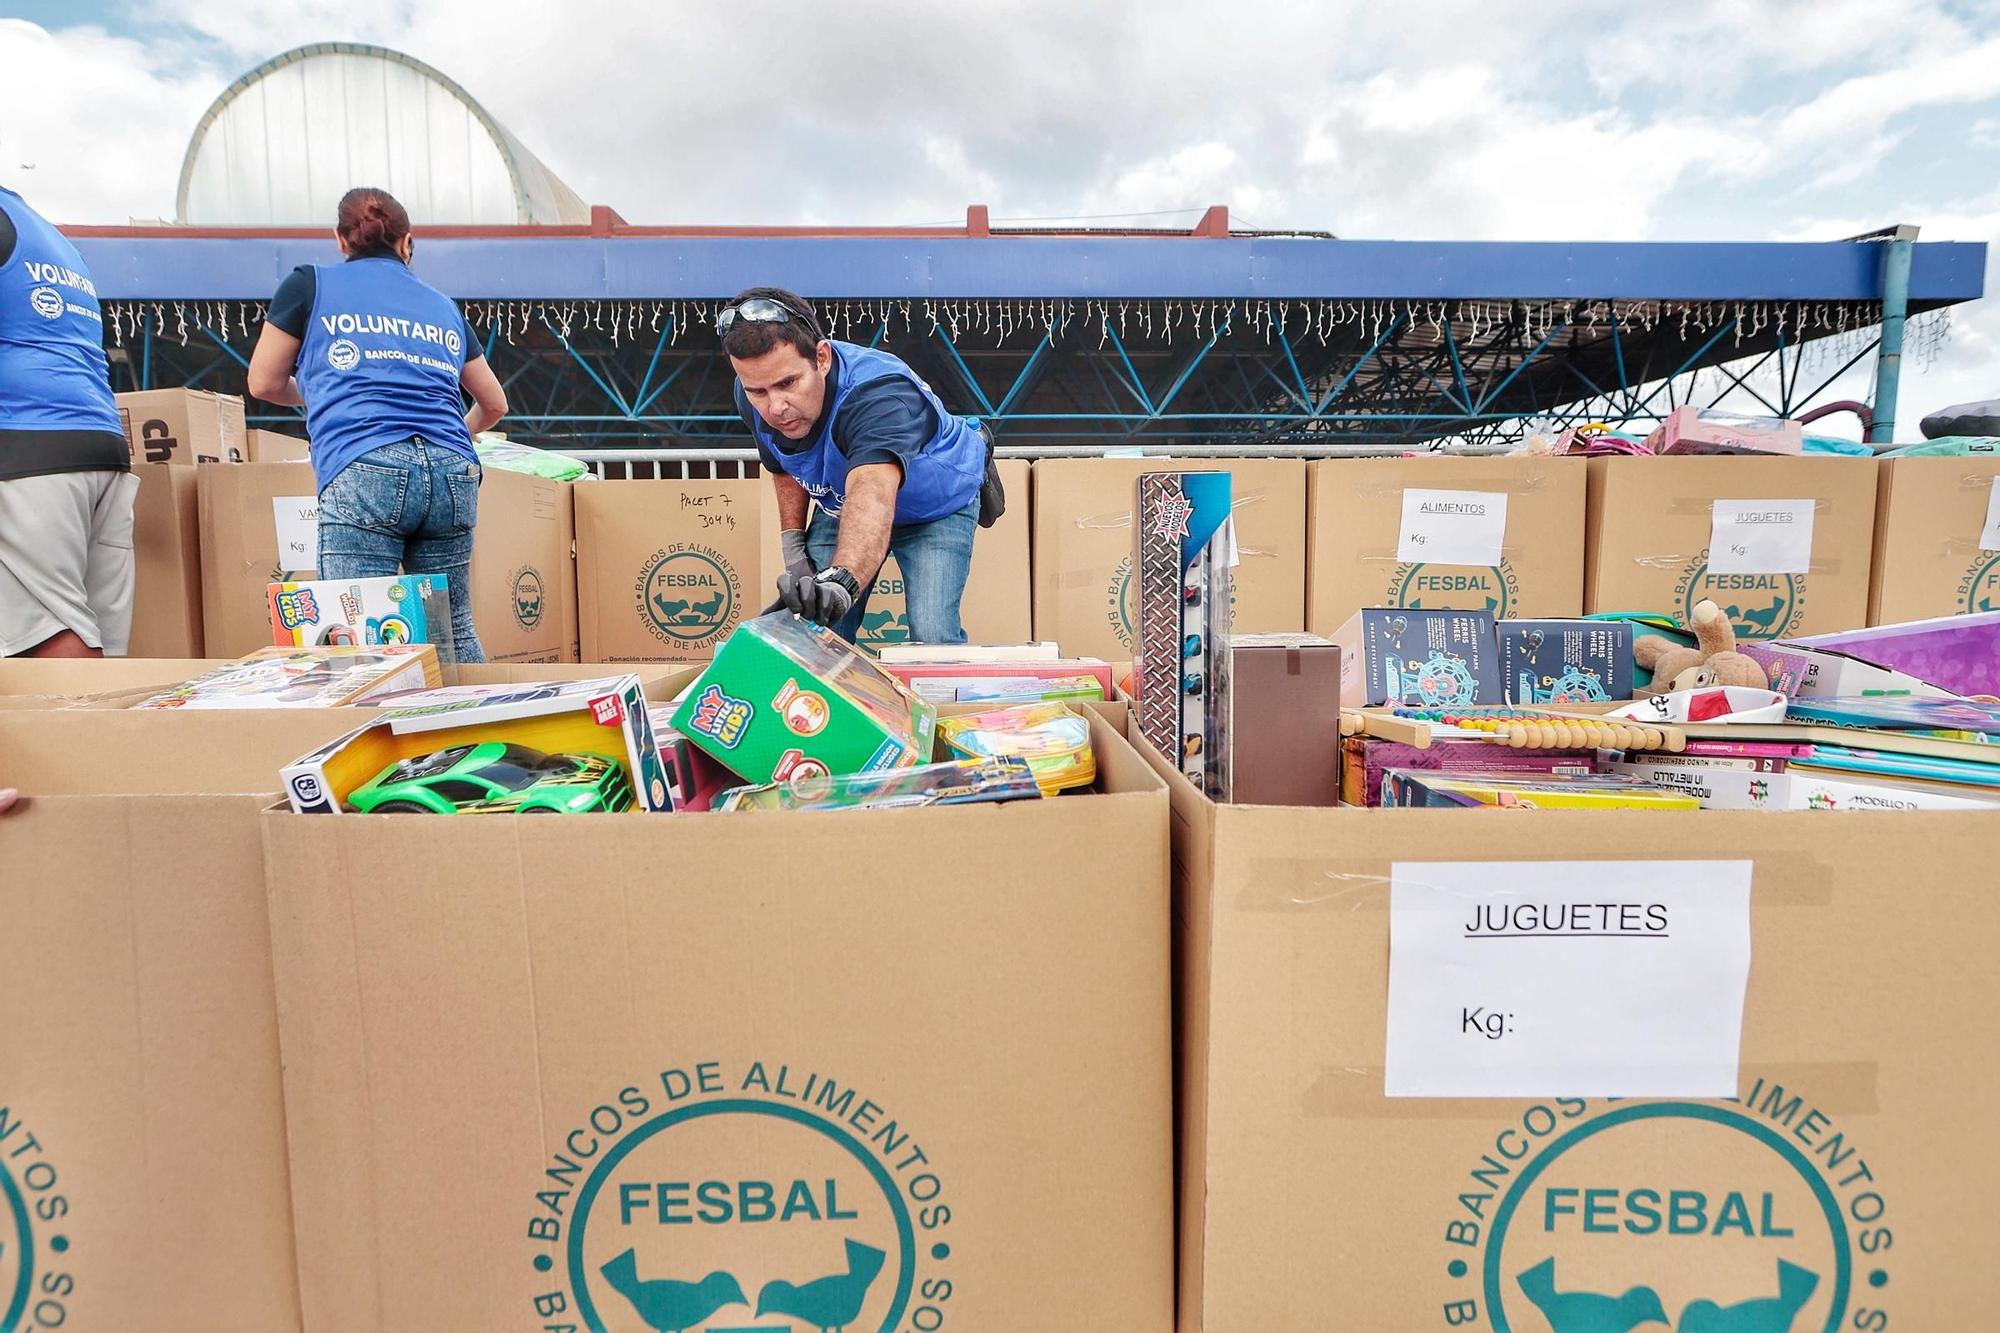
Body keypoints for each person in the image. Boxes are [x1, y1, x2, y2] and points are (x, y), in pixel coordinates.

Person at [247, 187, 507, 662]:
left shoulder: (309, 285)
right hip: (453, 472)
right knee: (452, 628)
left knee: (357, 633)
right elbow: (494, 404)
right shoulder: (443, 306)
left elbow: (263, 382)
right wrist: (447, 437)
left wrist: (329, 392)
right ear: (407, 242)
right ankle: (473, 712)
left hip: (363, 464)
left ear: (340, 239)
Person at [722, 288, 999, 644]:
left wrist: (842, 580)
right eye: (758, 391)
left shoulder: (880, 396)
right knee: (816, 631)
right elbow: (785, 463)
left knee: (933, 634)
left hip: (934, 503)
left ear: (822, 358)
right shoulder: (751, 394)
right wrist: (794, 549)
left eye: (788, 383)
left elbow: (873, 492)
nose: (775, 407)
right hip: (843, 500)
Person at [0, 183, 137, 659]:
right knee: (98, 643)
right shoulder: (47, 234)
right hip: (98, 445)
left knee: (47, 636)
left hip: (27, 449)